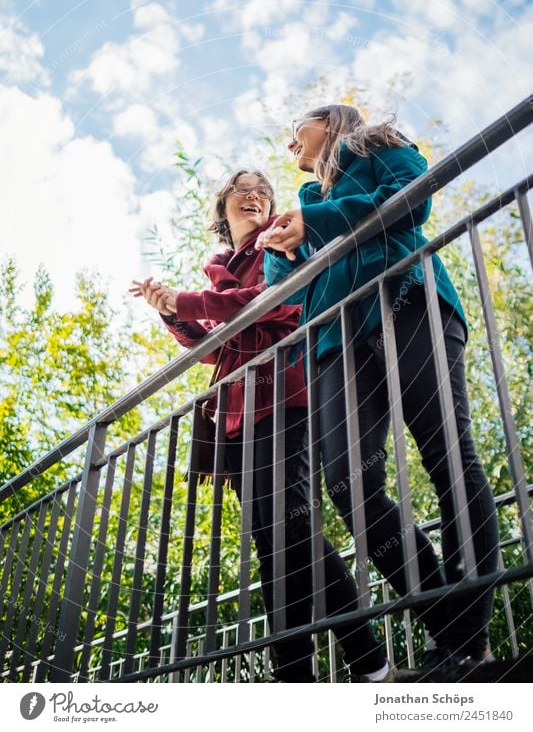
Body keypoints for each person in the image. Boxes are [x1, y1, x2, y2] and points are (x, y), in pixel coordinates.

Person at [257, 105, 499, 675]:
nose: (291, 141)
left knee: (448, 458)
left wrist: (319, 223)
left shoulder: (372, 145)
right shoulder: (307, 201)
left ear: (330, 121)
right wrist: (281, 250)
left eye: (300, 127)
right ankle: (451, 625)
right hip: (336, 343)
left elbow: (414, 197)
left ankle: (466, 639)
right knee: (347, 482)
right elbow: (287, 293)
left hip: (408, 303)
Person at [130, 169, 392, 683]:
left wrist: (187, 300)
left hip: (287, 394)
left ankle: (370, 660)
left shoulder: (282, 238)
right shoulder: (222, 266)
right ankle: (293, 677)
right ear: (222, 207)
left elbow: (270, 306)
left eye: (262, 189)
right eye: (241, 189)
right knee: (271, 545)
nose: (254, 195)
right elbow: (212, 343)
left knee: (294, 527)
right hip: (234, 413)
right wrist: (170, 312)